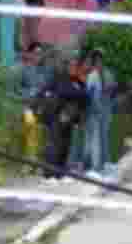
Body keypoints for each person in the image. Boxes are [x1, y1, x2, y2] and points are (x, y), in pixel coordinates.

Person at [37, 56, 89, 182]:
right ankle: (49, 173)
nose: (74, 68)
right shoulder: (60, 77)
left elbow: (86, 98)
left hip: (69, 118)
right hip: (56, 115)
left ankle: (60, 172)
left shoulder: (77, 81)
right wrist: (78, 92)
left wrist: (79, 89)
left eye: (76, 66)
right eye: (71, 66)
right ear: (67, 67)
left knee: (65, 145)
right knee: (55, 145)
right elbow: (63, 92)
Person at [83, 49, 117, 180]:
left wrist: (111, 89)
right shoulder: (91, 76)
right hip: (94, 111)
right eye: (96, 60)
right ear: (93, 62)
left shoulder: (108, 74)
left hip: (106, 109)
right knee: (94, 139)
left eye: (100, 59)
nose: (99, 62)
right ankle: (94, 167)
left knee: (104, 136)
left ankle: (104, 164)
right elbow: (88, 94)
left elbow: (113, 88)